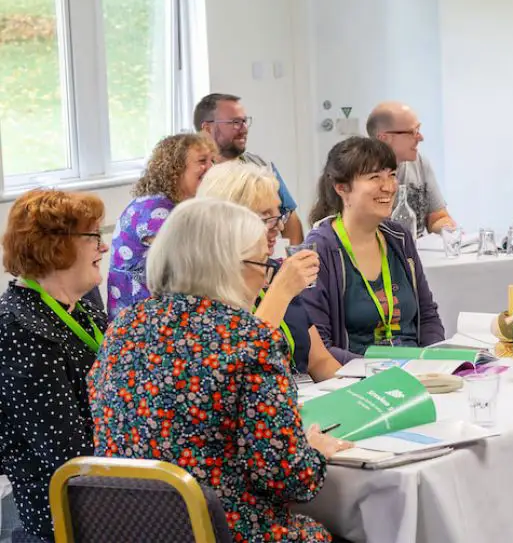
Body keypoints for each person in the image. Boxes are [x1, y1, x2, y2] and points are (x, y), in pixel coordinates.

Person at [89, 198, 350, 543]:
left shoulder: (123, 327)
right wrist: (312, 449)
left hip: (131, 530)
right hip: (222, 531)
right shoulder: (248, 337)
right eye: (262, 263)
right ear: (228, 266)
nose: (266, 276)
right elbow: (289, 477)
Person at [0, 189, 109, 542]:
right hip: (65, 516)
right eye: (94, 237)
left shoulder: (83, 312)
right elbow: (67, 454)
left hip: (107, 492)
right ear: (55, 245)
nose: (103, 248)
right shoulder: (20, 327)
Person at [196, 161, 346, 377]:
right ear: (228, 220)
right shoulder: (205, 290)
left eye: (279, 214)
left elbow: (320, 361)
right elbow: (241, 366)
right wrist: (281, 292)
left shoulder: (274, 271)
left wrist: (359, 396)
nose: (281, 227)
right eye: (266, 217)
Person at [304, 136, 444, 357]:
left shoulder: (399, 237)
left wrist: (432, 358)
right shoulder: (319, 248)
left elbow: (427, 316)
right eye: (374, 177)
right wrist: (379, 370)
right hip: (358, 377)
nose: (388, 187)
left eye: (392, 175)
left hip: (415, 369)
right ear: (342, 188)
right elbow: (319, 346)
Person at [107, 132, 217, 319]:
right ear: (176, 167)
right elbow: (190, 265)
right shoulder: (154, 210)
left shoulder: (174, 204)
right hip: (141, 319)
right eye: (202, 161)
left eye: (212, 160)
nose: (210, 167)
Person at [193, 93, 305, 245]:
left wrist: (292, 260)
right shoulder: (196, 173)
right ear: (207, 128)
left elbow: (290, 220)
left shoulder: (261, 165)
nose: (244, 129)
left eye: (244, 121)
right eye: (235, 122)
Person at [367, 101, 455, 236]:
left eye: (418, 130)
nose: (420, 138)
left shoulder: (420, 163)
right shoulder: (359, 174)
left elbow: (437, 217)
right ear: (384, 138)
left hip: (417, 253)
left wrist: (449, 230)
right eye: (412, 132)